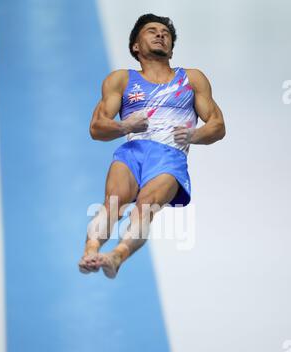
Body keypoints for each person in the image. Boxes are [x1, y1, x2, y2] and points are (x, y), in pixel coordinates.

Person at [78, 13, 226, 278]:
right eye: (152, 31)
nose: (160, 34)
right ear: (135, 46)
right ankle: (91, 250)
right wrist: (125, 127)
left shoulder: (191, 79)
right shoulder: (121, 80)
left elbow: (217, 126)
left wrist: (194, 135)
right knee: (113, 203)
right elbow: (96, 128)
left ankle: (117, 255)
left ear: (171, 48)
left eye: (165, 33)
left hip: (169, 157)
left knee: (145, 205)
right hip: (132, 152)